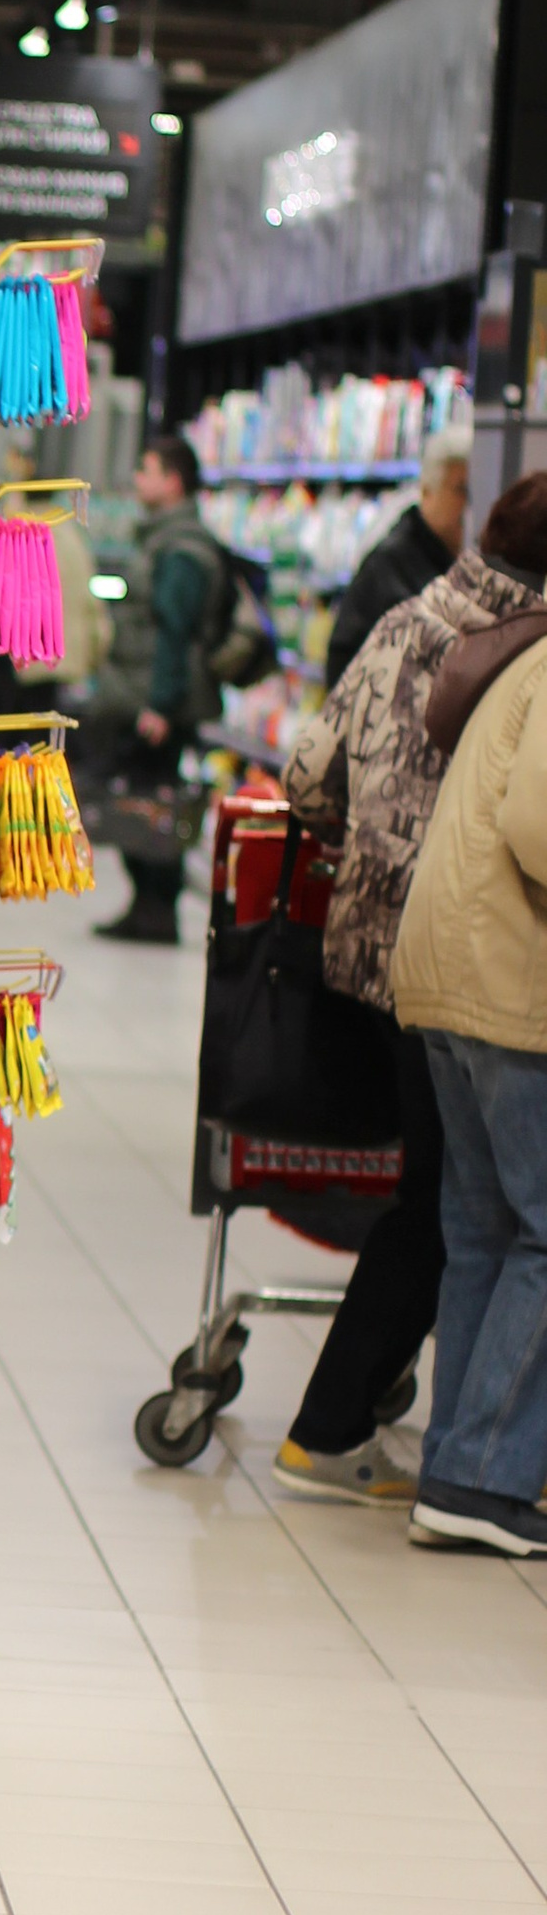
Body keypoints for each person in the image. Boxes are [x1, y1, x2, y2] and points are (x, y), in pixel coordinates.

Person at [277, 472, 547, 1503]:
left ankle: (442, 1449)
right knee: (448, 1211)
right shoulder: (523, 646)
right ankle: (348, 1427)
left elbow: (307, 775)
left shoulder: (408, 614)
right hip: (476, 954)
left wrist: (366, 845)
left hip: (374, 946)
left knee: (449, 1209)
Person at [389, 491, 547, 1558]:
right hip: (509, 978)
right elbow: (538, 825)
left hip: (447, 966)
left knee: (482, 1229)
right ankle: (484, 1475)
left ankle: (453, 1466)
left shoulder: (521, 652)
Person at [78, 431, 229, 943]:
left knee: (152, 805)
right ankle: (146, 907)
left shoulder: (182, 547)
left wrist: (161, 705)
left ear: (173, 481)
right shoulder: (165, 538)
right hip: (143, 693)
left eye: (146, 470)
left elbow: (174, 630)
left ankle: (156, 909)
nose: (137, 479)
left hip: (157, 702)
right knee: (141, 801)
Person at [325, 424, 469, 693]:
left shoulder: (454, 559)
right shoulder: (390, 565)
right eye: (460, 489)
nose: (469, 503)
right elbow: (343, 662)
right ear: (427, 491)